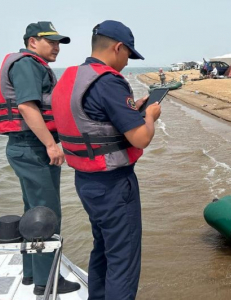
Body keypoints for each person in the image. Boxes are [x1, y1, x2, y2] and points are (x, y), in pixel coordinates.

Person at [51, 20, 161, 299]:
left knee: (102, 247)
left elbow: (93, 120)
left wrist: (131, 111)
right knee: (123, 259)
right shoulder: (109, 81)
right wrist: (149, 116)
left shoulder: (71, 76)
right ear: (118, 47)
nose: (127, 62)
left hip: (85, 181)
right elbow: (141, 138)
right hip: (113, 185)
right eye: (129, 55)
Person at [0, 21, 80, 295]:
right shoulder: (28, 64)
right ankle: (47, 281)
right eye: (51, 41)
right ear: (33, 42)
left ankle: (32, 274)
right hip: (32, 146)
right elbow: (25, 105)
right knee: (46, 214)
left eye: (59, 42)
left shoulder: (27, 63)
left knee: (33, 210)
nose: (57, 47)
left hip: (24, 146)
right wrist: (50, 144)